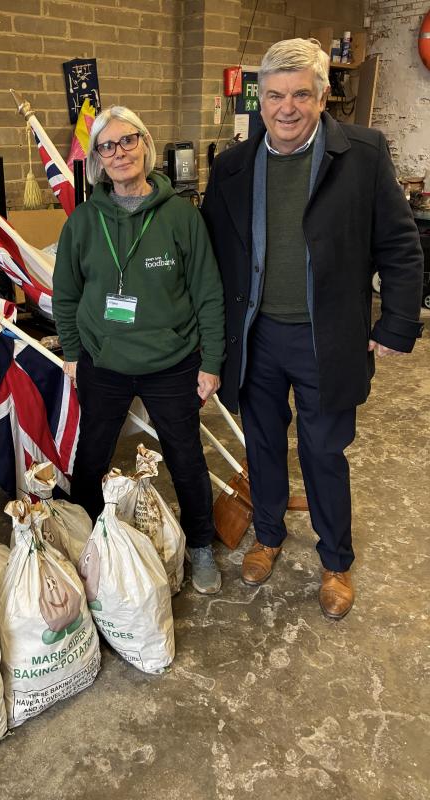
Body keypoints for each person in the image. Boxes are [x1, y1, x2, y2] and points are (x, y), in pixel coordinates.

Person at [201, 38, 424, 619]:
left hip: (328, 337)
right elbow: (211, 261)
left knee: (325, 450)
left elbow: (400, 244)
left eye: (302, 93)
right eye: (275, 95)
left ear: (324, 96)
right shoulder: (233, 165)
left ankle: (335, 561)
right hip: (257, 337)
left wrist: (396, 321)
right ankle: (268, 536)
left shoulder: (364, 154)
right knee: (265, 444)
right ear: (259, 100)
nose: (287, 107)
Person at [53, 105, 226, 594]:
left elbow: (208, 292)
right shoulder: (84, 222)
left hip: (171, 361)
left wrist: (210, 362)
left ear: (145, 146)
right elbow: (65, 295)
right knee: (91, 457)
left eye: (128, 141)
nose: (120, 152)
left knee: (186, 456)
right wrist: (71, 350)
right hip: (102, 361)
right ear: (97, 160)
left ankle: (200, 545)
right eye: (108, 146)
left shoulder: (180, 216)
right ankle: (86, 545)